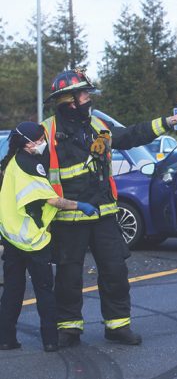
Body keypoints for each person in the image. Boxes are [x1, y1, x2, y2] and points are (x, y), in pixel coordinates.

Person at [41, 68, 177, 347]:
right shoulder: (46, 132)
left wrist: (167, 122)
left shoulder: (97, 124)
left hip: (104, 215)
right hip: (68, 217)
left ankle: (117, 325)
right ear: (69, 100)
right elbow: (28, 171)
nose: (89, 99)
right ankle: (68, 328)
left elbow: (132, 135)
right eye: (84, 94)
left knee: (115, 272)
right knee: (68, 275)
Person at [0, 122, 98, 352]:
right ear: (28, 144)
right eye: (40, 140)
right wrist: (79, 205)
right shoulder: (29, 167)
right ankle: (51, 341)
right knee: (44, 290)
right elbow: (53, 200)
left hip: (12, 238)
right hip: (32, 241)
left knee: (13, 290)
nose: (43, 143)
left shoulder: (13, 162)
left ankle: (5, 338)